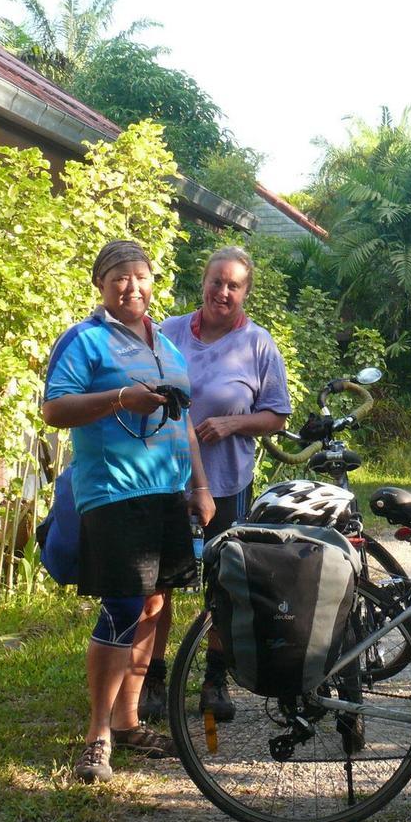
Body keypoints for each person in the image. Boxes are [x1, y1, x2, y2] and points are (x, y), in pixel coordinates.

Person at [42, 239, 215, 784]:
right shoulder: (84, 340)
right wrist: (121, 399)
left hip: (168, 494)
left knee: (155, 602)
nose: (131, 286)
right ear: (101, 283)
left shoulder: (168, 346)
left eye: (140, 276)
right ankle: (96, 736)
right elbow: (54, 408)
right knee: (123, 603)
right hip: (113, 493)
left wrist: (200, 487)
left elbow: (184, 422)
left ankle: (128, 719)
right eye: (119, 276)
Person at [138, 245, 292, 722]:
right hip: (165, 479)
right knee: (157, 584)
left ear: (246, 292)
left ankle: (214, 680)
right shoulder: (167, 331)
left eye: (234, 285)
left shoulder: (258, 344)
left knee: (223, 584)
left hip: (226, 481)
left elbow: (278, 415)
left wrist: (231, 425)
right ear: (202, 282)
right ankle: (154, 679)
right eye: (216, 281)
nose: (222, 292)